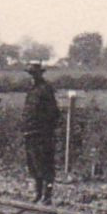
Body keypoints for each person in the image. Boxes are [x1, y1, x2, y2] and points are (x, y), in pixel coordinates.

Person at [22, 62, 61, 203]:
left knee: (45, 164)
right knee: (33, 164)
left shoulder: (45, 89)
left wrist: (46, 129)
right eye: (31, 74)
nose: (33, 76)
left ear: (40, 74)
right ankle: (38, 193)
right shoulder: (31, 90)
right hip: (30, 132)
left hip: (42, 134)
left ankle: (47, 195)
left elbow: (53, 112)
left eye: (35, 73)